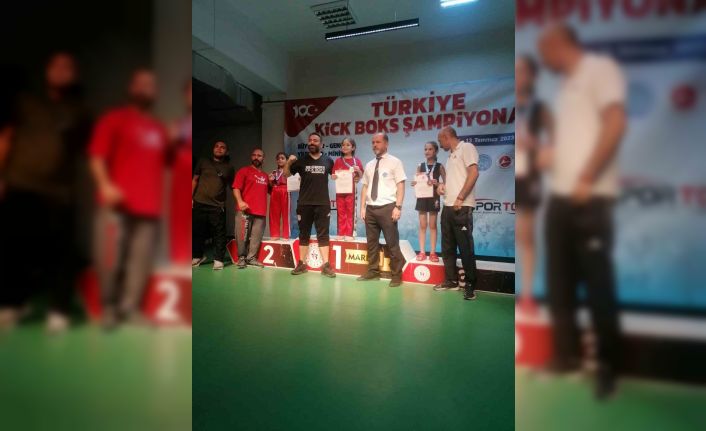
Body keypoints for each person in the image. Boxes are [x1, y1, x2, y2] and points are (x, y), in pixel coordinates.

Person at [538, 23, 625, 399]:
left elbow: (615, 122)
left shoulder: (599, 69)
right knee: (560, 284)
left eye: (545, 50)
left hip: (591, 198)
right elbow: (578, 138)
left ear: (560, 44)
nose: (543, 59)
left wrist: (587, 175)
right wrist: (552, 156)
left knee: (598, 286)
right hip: (559, 199)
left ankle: (608, 368)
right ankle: (565, 357)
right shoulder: (565, 86)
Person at [0, 51, 91, 332]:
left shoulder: (80, 111)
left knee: (61, 252)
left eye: (68, 67)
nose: (62, 70)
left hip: (60, 193)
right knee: (14, 247)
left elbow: (86, 151)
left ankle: (59, 308)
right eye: (57, 65)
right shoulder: (24, 102)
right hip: (20, 184)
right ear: (47, 70)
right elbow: (6, 136)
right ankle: (13, 303)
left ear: (75, 74)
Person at [88, 68, 168, 329]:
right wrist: (105, 185)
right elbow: (97, 157)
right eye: (141, 83)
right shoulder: (114, 119)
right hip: (116, 206)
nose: (146, 88)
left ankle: (130, 308)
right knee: (110, 260)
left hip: (149, 209)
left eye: (151, 84)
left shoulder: (158, 128)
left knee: (139, 263)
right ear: (131, 88)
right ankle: (109, 308)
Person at [516, 55, 553, 314]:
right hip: (512, 177)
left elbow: (557, 145)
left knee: (527, 236)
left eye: (522, 71)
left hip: (530, 178)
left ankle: (528, 295)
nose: (518, 76)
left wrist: (535, 145)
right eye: (515, 71)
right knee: (518, 236)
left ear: (532, 76)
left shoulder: (541, 109)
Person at [435, 126, 479, 301]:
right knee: (447, 247)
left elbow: (474, 173)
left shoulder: (466, 147)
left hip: (462, 206)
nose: (440, 144)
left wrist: (460, 197)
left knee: (465, 248)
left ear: (447, 137)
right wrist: (442, 186)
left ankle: (470, 285)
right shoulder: (450, 156)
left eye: (440, 140)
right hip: (447, 206)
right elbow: (453, 180)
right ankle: (451, 280)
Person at [356, 133, 407, 287]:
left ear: (386, 144)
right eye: (373, 142)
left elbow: (400, 185)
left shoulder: (395, 162)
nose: (374, 145)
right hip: (371, 209)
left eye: (378, 142)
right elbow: (365, 187)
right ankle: (372, 271)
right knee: (372, 243)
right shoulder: (369, 164)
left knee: (392, 243)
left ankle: (396, 275)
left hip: (388, 207)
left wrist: (398, 206)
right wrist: (362, 207)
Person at [284, 132, 336, 278]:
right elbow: (287, 174)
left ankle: (326, 265)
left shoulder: (328, 161)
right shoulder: (301, 161)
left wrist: (352, 177)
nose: (312, 142)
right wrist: (289, 162)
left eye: (315, 140)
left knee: (323, 235)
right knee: (304, 234)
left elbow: (337, 176)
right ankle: (301, 264)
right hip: (304, 203)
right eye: (310, 140)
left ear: (321, 144)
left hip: (322, 204)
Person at [192, 141, 234, 270]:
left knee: (219, 234)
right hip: (199, 202)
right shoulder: (203, 162)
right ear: (213, 149)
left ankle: (218, 259)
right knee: (197, 231)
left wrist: (239, 202)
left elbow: (233, 187)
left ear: (226, 151)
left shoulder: (229, 168)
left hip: (217, 205)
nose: (219, 149)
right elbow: (194, 179)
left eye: (222, 147)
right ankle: (197, 256)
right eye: (217, 146)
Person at [169, 79, 193, 265]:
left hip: (190, 179)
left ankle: (186, 256)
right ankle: (178, 258)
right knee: (177, 219)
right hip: (178, 179)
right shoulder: (177, 124)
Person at [232, 148, 269, 269]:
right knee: (242, 235)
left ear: (263, 159)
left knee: (256, 237)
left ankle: (251, 258)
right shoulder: (244, 171)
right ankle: (241, 258)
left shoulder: (265, 176)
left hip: (260, 212)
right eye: (254, 155)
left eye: (259, 155)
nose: (256, 157)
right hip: (245, 210)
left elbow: (272, 191)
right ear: (251, 157)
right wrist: (240, 201)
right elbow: (236, 188)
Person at [411, 141, 445, 262]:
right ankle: (421, 252)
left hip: (434, 197)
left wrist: (438, 183)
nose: (427, 151)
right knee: (422, 225)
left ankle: (433, 253)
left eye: (430, 149)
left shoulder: (440, 166)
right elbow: (417, 180)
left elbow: (446, 183)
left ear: (436, 151)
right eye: (426, 149)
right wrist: (414, 183)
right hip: (422, 197)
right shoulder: (420, 165)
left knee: (433, 225)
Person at [331, 137, 363, 240]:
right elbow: (333, 175)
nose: (345, 147)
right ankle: (341, 233)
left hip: (351, 191)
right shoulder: (338, 161)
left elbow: (361, 175)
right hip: (340, 191)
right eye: (343, 145)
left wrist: (358, 171)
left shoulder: (356, 161)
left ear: (353, 147)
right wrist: (333, 176)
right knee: (341, 212)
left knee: (350, 212)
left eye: (348, 145)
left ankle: (349, 234)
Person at [268, 151, 289, 241]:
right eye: (278, 158)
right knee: (274, 214)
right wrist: (270, 180)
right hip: (275, 191)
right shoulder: (274, 172)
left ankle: (285, 236)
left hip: (285, 191)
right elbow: (271, 186)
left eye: (282, 158)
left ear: (286, 160)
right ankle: (274, 235)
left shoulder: (289, 171)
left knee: (286, 214)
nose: (280, 160)